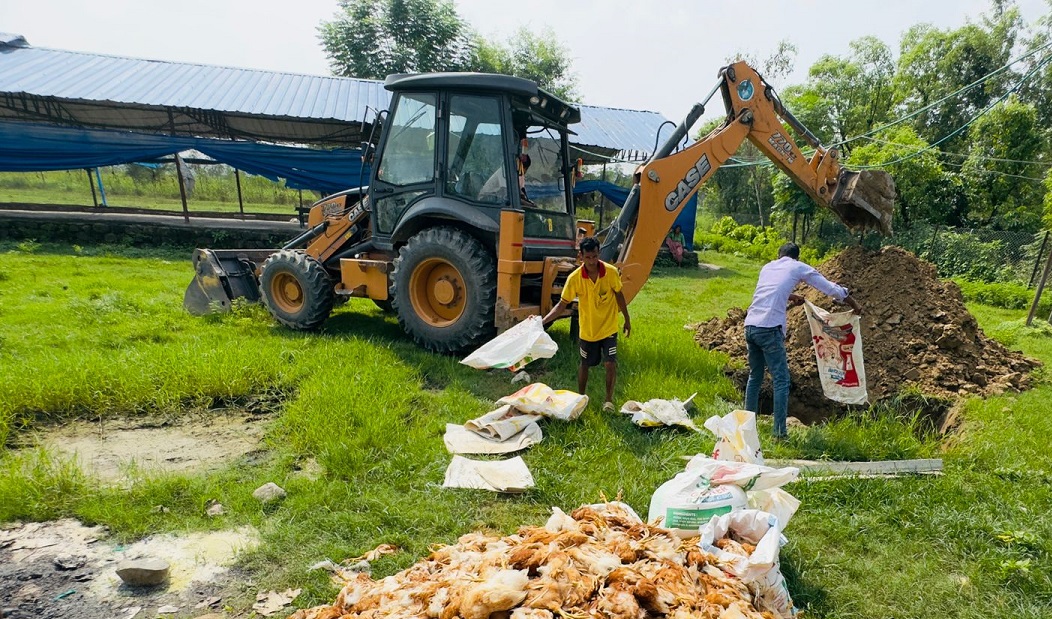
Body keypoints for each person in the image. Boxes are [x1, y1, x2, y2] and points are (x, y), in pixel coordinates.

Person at [744, 242, 862, 439]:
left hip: (750, 326)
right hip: (769, 328)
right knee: (781, 380)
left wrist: (791, 297)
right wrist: (853, 303)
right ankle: (779, 433)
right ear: (796, 258)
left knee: (755, 377)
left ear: (778, 254)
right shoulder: (798, 266)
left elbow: (769, 291)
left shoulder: (767, 267)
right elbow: (831, 289)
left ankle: (745, 427)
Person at [543, 237, 631, 412]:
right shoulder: (574, 278)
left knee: (610, 363)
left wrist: (627, 320)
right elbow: (562, 305)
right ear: (581, 256)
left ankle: (608, 400)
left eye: (595, 256)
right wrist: (543, 321)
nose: (592, 261)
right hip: (588, 330)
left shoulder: (611, 272)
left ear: (599, 254)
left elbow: (619, 295)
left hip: (609, 328)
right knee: (585, 364)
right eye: (588, 257)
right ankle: (580, 397)